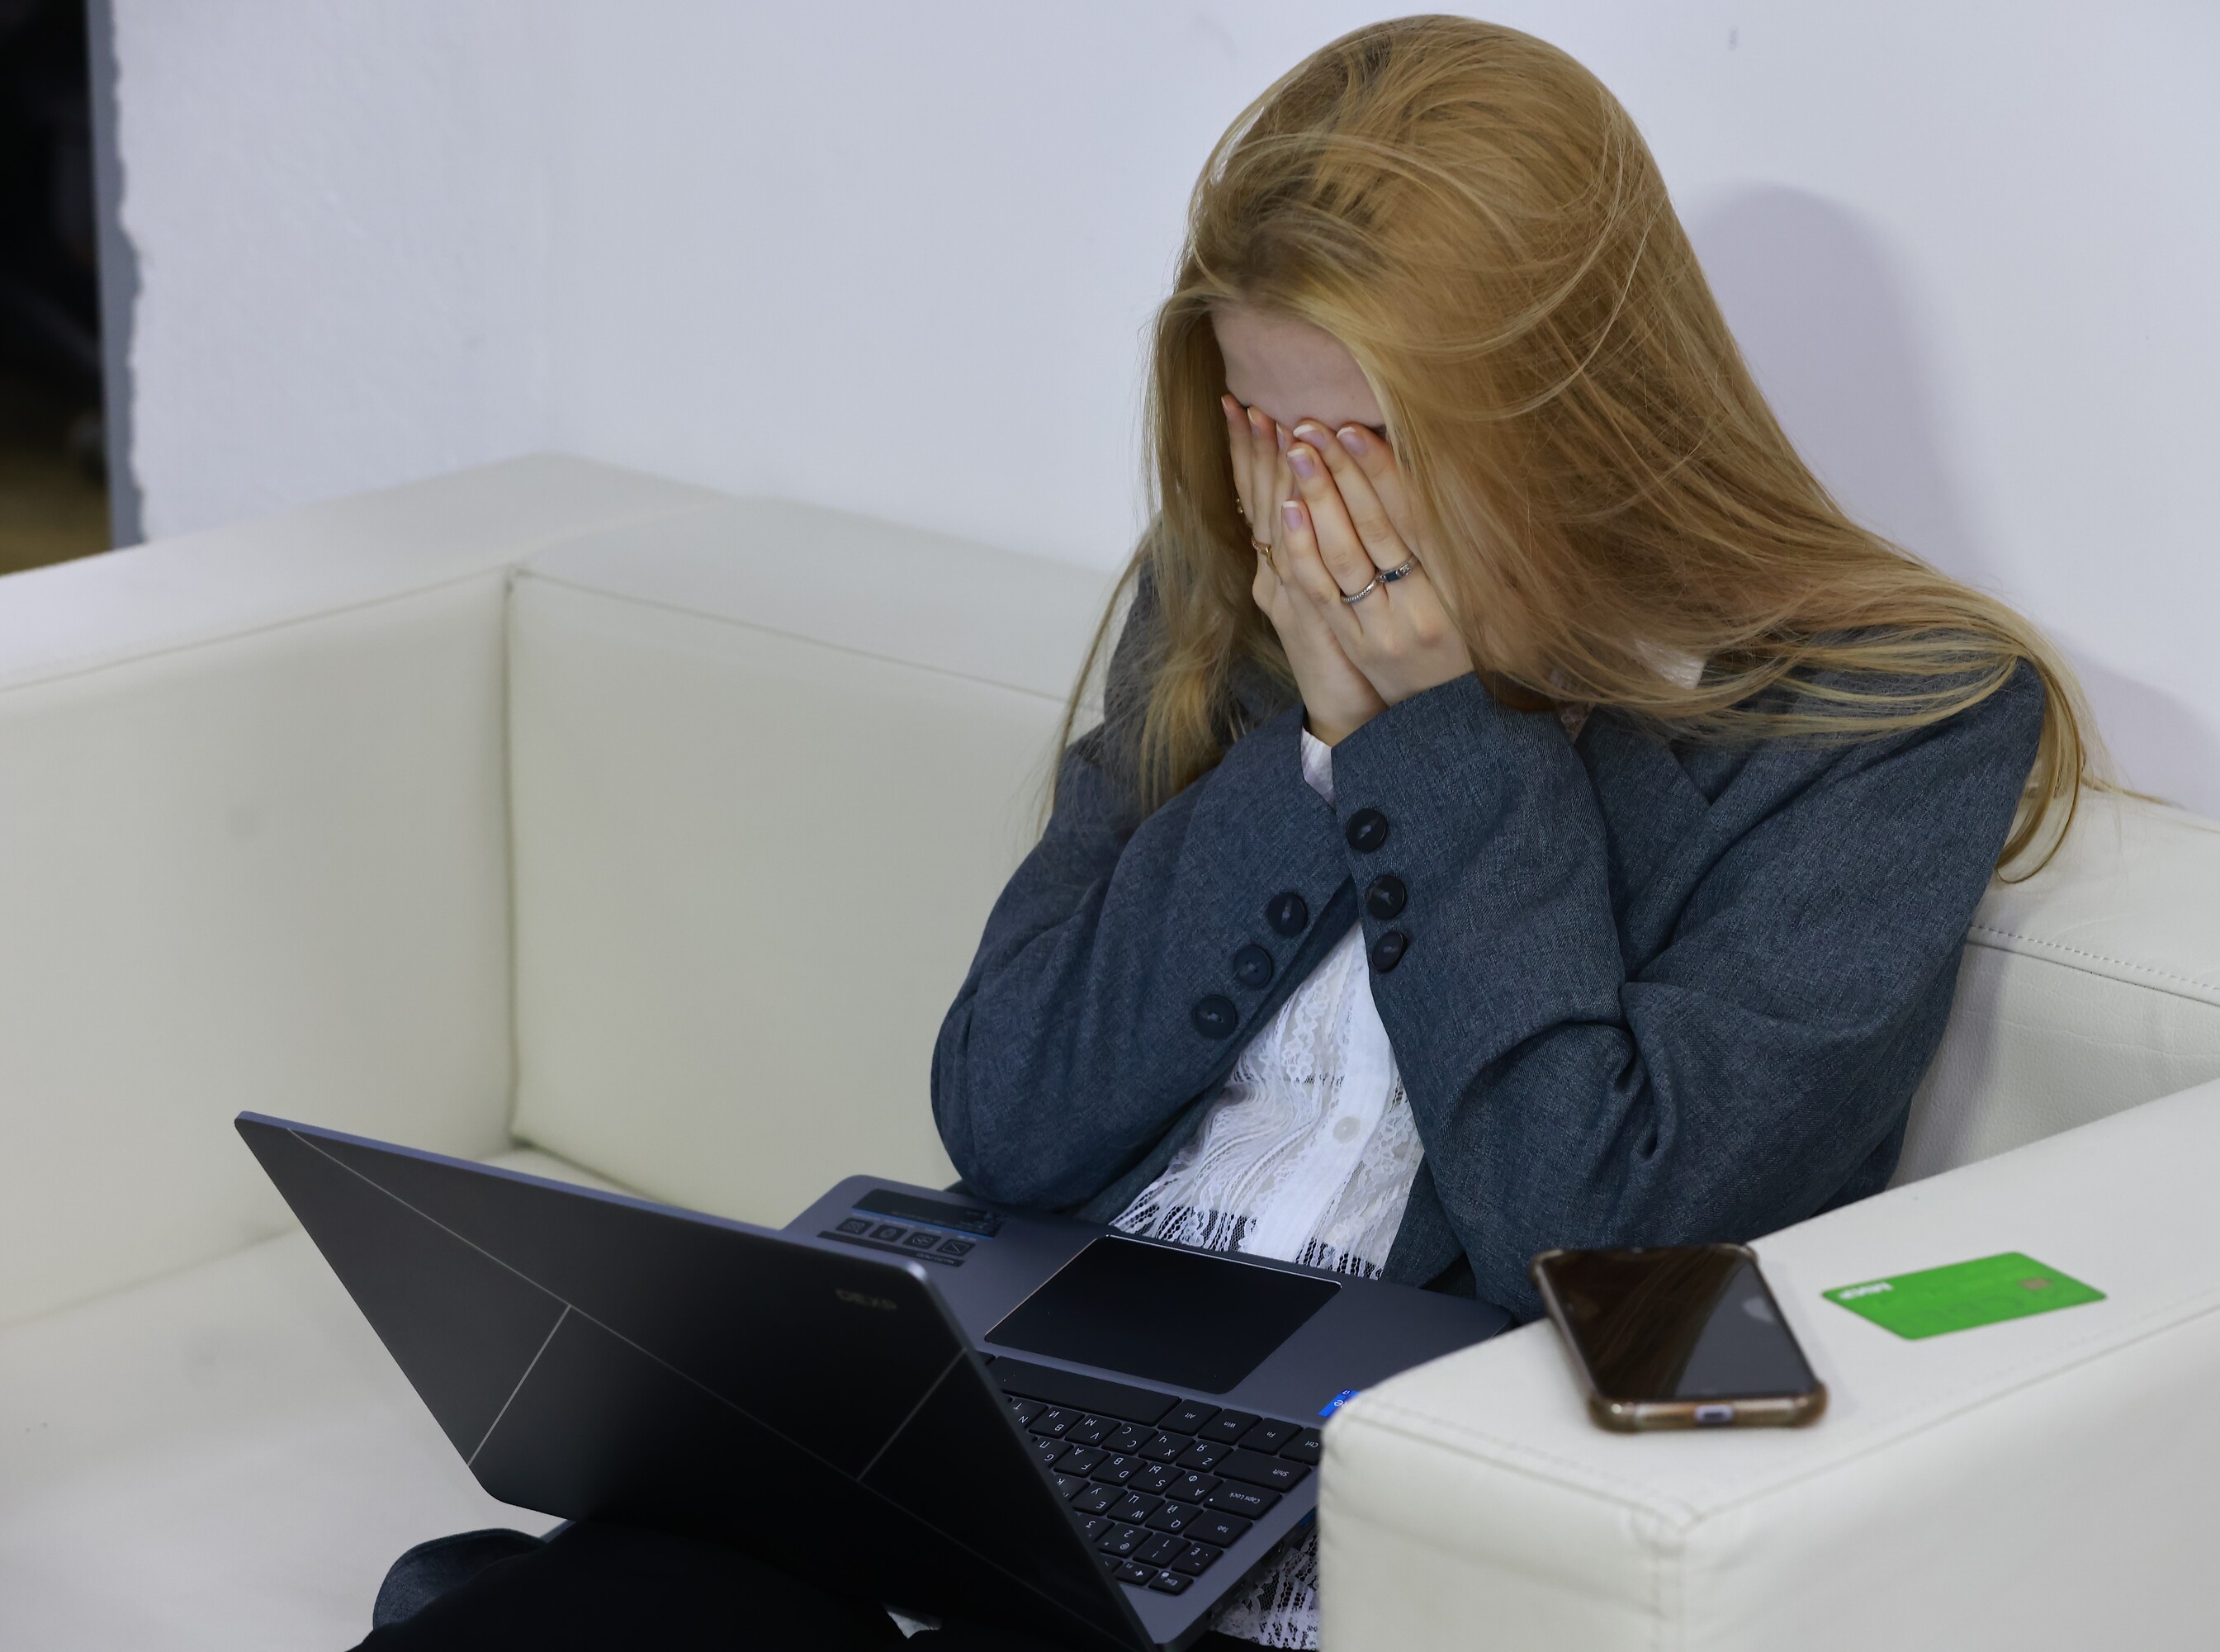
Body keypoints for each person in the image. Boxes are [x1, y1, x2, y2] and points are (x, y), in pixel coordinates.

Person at [358, 17, 2090, 1650]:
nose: (1306, 506)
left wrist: (1438, 741)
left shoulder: (1891, 718)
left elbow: (1600, 1243)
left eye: (1372, 441)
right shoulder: (1233, 586)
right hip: (1025, 1407)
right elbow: (1006, 1108)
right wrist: (1321, 750)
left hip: (1365, 1499)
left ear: (1574, 415)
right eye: (1267, 428)